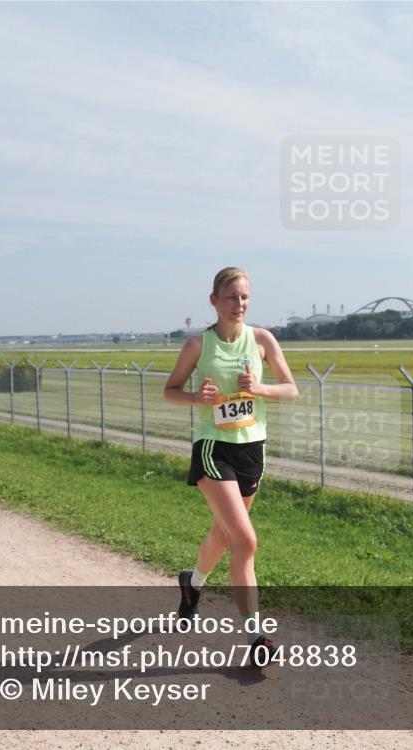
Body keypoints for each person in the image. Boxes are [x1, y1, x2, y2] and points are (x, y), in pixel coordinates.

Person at [163, 267, 298, 664]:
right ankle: (257, 637)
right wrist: (197, 399)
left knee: (223, 537)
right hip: (213, 448)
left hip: (252, 449)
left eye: (244, 297)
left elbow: (291, 388)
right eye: (231, 297)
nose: (239, 304)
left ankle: (193, 582)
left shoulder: (262, 340)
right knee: (246, 541)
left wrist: (260, 389)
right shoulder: (197, 345)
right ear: (214, 301)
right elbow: (170, 391)